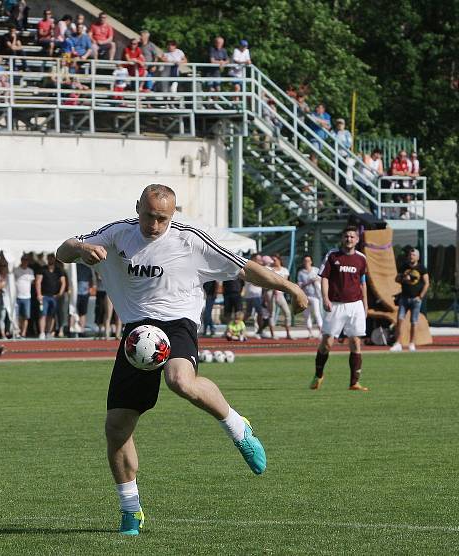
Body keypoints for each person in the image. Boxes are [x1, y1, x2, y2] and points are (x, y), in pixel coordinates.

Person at [56, 184, 308, 535]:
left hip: (177, 324)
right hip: (136, 334)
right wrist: (84, 248)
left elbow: (244, 268)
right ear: (138, 208)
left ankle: (237, 426)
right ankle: (131, 509)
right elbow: (62, 251)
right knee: (116, 426)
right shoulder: (116, 234)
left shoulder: (190, 239)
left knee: (179, 379)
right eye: (149, 216)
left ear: (173, 215)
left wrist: (290, 287)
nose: (155, 225)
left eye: (163, 218)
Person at [310, 226, 369, 391]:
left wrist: (365, 304)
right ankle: (319, 374)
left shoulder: (362, 259)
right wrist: (325, 298)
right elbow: (324, 278)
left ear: (357, 240)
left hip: (355, 304)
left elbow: (362, 282)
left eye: (352, 237)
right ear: (342, 238)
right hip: (335, 305)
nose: (349, 239)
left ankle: (354, 382)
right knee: (327, 342)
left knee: (356, 342)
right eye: (346, 236)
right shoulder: (333, 255)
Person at [390, 248, 429, 352]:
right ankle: (398, 343)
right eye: (410, 255)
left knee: (414, 322)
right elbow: (396, 279)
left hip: (416, 299)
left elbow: (427, 283)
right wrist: (404, 277)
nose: (411, 257)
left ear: (418, 257)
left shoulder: (421, 268)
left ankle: (412, 343)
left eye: (413, 255)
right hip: (404, 298)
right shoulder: (404, 266)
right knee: (400, 320)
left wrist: (420, 296)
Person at [36, 253, 66, 339]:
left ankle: (48, 332)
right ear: (47, 259)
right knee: (43, 314)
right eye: (49, 258)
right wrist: (39, 294)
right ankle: (42, 332)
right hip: (44, 296)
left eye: (52, 258)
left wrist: (60, 292)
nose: (51, 260)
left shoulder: (58, 270)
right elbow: (38, 281)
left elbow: (63, 282)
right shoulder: (43, 269)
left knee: (51, 315)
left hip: (54, 296)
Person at [297, 254, 322, 338]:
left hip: (315, 295)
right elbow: (299, 285)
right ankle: (310, 333)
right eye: (305, 261)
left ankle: (321, 332)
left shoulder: (316, 270)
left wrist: (316, 280)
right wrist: (309, 282)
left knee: (317, 313)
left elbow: (321, 279)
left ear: (311, 262)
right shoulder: (301, 273)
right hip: (305, 296)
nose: (307, 262)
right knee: (306, 315)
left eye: (308, 261)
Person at [14, 254, 34, 337]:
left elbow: (32, 282)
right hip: (17, 296)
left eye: (26, 260)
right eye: (24, 259)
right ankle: (17, 331)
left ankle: (23, 332)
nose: (25, 261)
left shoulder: (30, 271)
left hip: (27, 297)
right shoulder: (16, 270)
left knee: (26, 316)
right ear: (21, 260)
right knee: (17, 316)